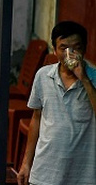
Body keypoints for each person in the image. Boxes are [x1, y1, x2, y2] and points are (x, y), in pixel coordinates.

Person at [18, 20, 96, 185]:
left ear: (85, 49)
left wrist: (85, 80)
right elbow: (36, 119)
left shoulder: (94, 76)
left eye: (77, 47)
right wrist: (26, 164)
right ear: (54, 50)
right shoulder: (43, 76)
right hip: (45, 172)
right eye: (64, 48)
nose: (70, 53)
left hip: (82, 175)